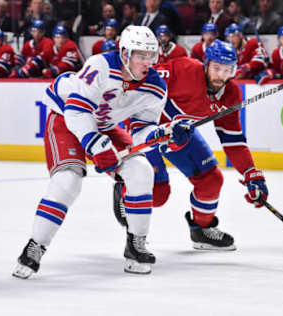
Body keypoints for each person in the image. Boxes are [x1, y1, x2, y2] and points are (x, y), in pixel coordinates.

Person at [12, 25, 191, 278]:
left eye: (151, 55)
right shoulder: (101, 65)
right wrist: (95, 145)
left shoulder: (155, 86)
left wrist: (162, 134)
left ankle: (135, 245)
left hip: (103, 126)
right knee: (68, 181)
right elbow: (77, 111)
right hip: (65, 118)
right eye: (141, 55)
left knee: (141, 170)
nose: (147, 61)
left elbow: (141, 130)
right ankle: (35, 246)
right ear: (125, 53)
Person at [113, 40, 269, 251]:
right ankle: (125, 188)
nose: (220, 76)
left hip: (179, 135)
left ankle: (201, 230)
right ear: (206, 64)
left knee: (211, 180)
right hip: (146, 129)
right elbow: (142, 80)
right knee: (158, 194)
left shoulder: (231, 94)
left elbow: (233, 140)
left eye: (227, 70)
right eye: (216, 68)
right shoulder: (183, 69)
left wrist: (251, 173)